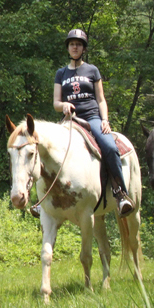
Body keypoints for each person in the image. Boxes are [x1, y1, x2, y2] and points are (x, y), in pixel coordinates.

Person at [52, 28, 134, 217]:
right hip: (70, 120)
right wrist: (63, 105)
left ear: (83, 48)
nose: (75, 47)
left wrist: (104, 120)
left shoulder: (92, 70)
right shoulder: (60, 73)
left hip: (91, 118)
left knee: (110, 147)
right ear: (68, 47)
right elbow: (56, 102)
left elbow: (101, 99)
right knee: (47, 148)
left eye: (78, 44)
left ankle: (120, 193)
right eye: (72, 44)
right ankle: (44, 200)